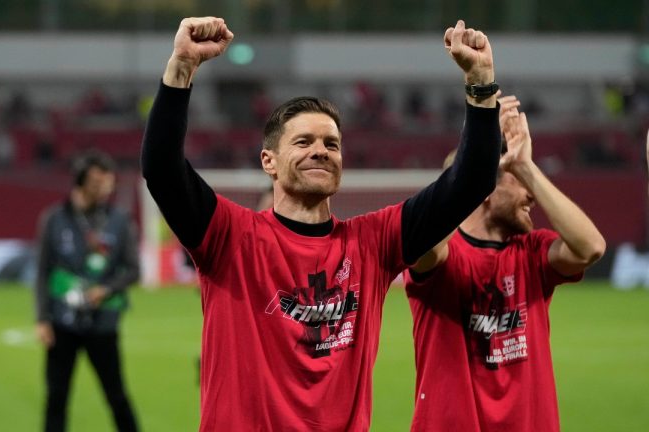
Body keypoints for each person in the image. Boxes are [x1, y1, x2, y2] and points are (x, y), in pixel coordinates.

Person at [142, 16, 502, 431]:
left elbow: (471, 181)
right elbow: (162, 169)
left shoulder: (374, 244)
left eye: (331, 143)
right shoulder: (231, 237)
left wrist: (481, 81)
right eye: (303, 142)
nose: (321, 151)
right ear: (268, 162)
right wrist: (181, 68)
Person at [404, 95, 606, 431]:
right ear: (483, 189)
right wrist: (478, 147)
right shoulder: (441, 254)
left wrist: (525, 166)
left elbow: (590, 248)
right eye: (519, 182)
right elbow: (428, 239)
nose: (531, 195)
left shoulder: (532, 252)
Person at [34, 150, 140, 432]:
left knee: (116, 396)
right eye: (98, 181)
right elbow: (43, 271)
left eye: (108, 181)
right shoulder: (53, 219)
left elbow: (134, 271)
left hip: (103, 323)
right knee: (56, 398)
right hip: (62, 323)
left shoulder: (120, 221)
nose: (105, 188)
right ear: (81, 181)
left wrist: (104, 290)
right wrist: (42, 318)